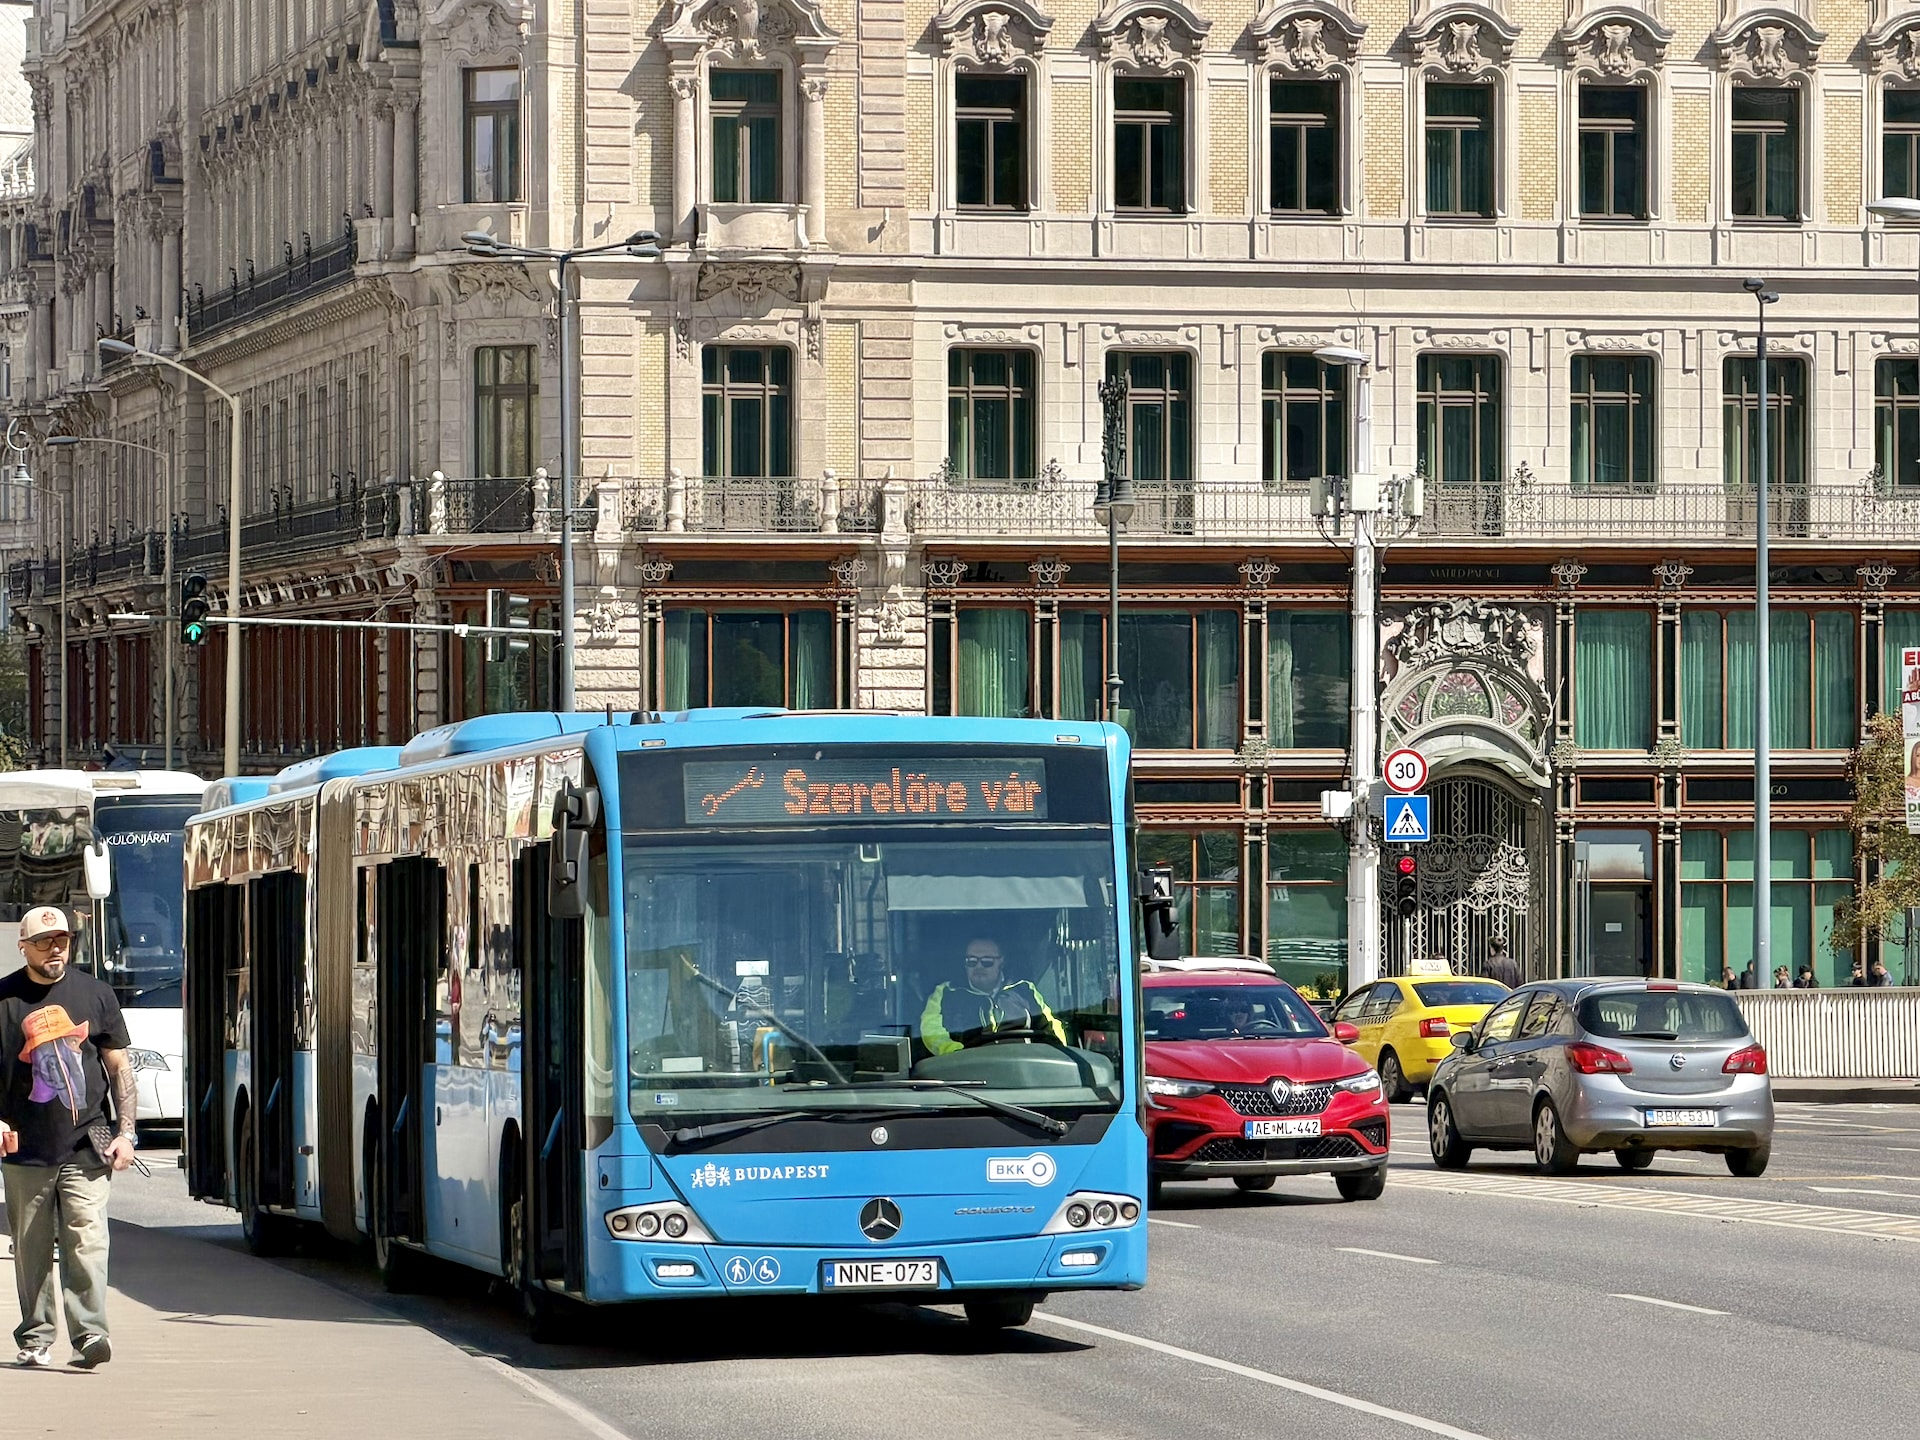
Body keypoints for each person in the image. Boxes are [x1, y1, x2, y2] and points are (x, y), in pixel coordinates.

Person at [0, 906, 136, 1370]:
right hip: (24, 1145)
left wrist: (126, 1132)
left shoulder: (96, 995)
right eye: (44, 942)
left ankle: (90, 1335)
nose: (55, 948)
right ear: (24, 947)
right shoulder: (4, 999)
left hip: (88, 1140)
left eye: (62, 939)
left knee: (87, 1237)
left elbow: (119, 1067)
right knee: (32, 1247)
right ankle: (36, 1336)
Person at [919, 936, 1066, 1055]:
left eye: (987, 962)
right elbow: (931, 1031)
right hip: (965, 1075)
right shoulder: (946, 992)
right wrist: (958, 1054)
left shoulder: (1025, 990)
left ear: (1001, 962)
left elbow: (1051, 1028)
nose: (978, 967)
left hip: (1023, 1073)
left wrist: (1060, 1053)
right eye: (971, 961)